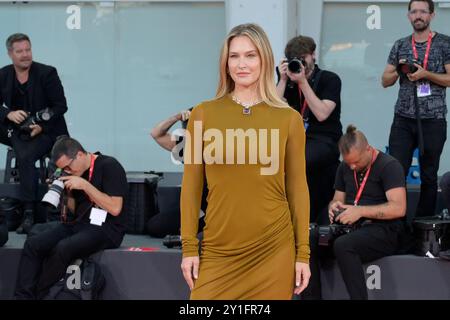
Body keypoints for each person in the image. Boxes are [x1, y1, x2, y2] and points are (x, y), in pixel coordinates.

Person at [180, 23, 311, 300]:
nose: (241, 64)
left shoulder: (289, 119)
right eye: (234, 56)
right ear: (225, 63)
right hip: (218, 249)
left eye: (250, 55)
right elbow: (191, 187)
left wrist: (303, 252)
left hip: (274, 248)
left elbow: (298, 189)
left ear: (264, 60)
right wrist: (189, 247)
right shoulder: (203, 114)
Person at [14, 137, 128, 299]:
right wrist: (62, 192)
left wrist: (85, 185)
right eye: (63, 169)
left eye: (68, 166)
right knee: (33, 244)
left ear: (80, 154)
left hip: (107, 228)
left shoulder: (109, 166)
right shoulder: (73, 172)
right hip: (79, 223)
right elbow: (72, 212)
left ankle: (40, 294)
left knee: (64, 248)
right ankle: (22, 296)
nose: (67, 170)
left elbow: (115, 208)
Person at [382, 0, 450, 217]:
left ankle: (424, 229)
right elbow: (385, 80)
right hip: (403, 118)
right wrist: (400, 71)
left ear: (432, 15)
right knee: (395, 172)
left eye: (423, 11)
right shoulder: (400, 44)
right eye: (414, 11)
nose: (418, 15)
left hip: (433, 118)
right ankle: (395, 225)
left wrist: (425, 74)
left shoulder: (444, 43)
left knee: (429, 175)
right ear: (408, 16)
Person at [0, 33, 69, 234]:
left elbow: (60, 106)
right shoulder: (3, 75)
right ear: (10, 54)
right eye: (19, 51)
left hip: (47, 131)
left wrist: (40, 125)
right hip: (18, 129)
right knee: (22, 146)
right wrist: (8, 114)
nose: (25, 55)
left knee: (25, 154)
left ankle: (29, 212)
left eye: (27, 50)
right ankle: (18, 139)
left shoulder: (47, 73)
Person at [327, 125, 406, 300]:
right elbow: (337, 198)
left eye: (357, 162)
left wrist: (360, 211)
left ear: (368, 149)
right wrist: (334, 206)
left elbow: (399, 208)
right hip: (352, 226)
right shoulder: (345, 167)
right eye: (349, 163)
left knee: (343, 245)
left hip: (384, 230)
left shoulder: (389, 166)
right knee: (312, 238)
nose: (353, 167)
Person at [276, 35, 342, 224]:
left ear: (313, 55)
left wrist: (303, 82)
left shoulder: (330, 79)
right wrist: (282, 80)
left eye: (303, 58)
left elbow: (322, 113)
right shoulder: (287, 79)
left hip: (324, 139)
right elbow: (271, 111)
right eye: (295, 60)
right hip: (296, 139)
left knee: (299, 160)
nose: (300, 64)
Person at [149, 109, 206, 237]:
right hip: (197, 208)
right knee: (155, 225)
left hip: (221, 208)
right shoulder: (186, 148)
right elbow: (156, 134)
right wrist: (176, 117)